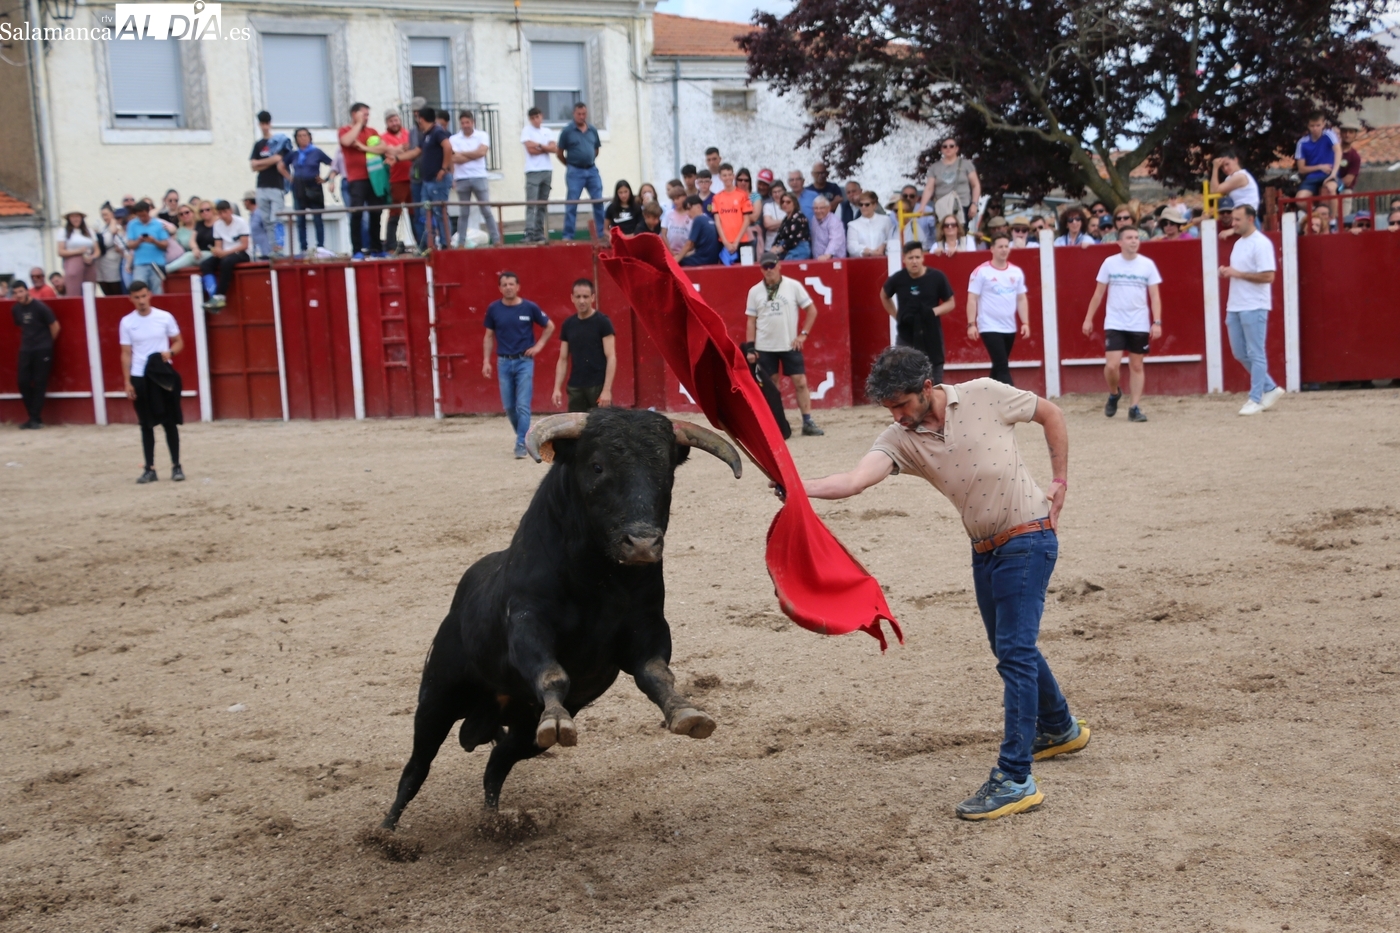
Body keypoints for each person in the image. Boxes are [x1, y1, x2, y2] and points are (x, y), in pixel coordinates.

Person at [797, 345, 1084, 821]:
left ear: (927, 388)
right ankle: (1058, 728)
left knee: (1014, 653)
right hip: (985, 550)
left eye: (902, 405)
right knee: (1011, 647)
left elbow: (1050, 413)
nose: (897, 417)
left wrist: (1060, 480)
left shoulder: (985, 394)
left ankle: (1015, 778)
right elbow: (853, 481)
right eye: (889, 409)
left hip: (1030, 537)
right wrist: (795, 483)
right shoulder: (900, 437)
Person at [1081, 226, 1162, 422]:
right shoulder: (1110, 263)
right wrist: (1088, 318)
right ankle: (1114, 392)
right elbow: (1098, 294)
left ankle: (1134, 407)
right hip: (1115, 320)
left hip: (1139, 322)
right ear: (1120, 242)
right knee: (1112, 366)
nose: (1134, 241)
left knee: (1136, 365)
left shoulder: (1147, 264)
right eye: (1129, 238)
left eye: (1136, 237)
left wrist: (1157, 322)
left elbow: (1155, 296)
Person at [745, 252, 823, 436]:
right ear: (761, 269)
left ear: (779, 265)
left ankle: (807, 420)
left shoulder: (793, 286)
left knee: (800, 381)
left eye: (772, 265)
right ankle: (776, 422)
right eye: (766, 267)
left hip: (789, 344)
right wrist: (750, 347)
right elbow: (750, 321)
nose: (769, 270)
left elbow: (811, 310)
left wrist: (803, 334)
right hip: (765, 346)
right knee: (772, 386)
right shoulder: (755, 291)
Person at [1219, 204, 1284, 415]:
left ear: (1250, 219)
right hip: (1236, 304)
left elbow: (1269, 276)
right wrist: (1228, 273)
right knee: (1240, 352)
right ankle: (1270, 388)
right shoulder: (1239, 243)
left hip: (1255, 305)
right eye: (1233, 219)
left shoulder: (1261, 244)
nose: (1233, 223)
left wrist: (1237, 274)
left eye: (1237, 219)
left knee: (1255, 353)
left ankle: (1255, 398)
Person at [482, 271, 555, 458]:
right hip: (503, 362)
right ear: (499, 288)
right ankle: (525, 436)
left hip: (524, 362)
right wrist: (486, 361)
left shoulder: (529, 308)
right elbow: (489, 336)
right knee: (509, 407)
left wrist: (538, 346)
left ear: (518, 286)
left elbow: (550, 326)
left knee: (522, 405)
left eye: (511, 284)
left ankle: (521, 444)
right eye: (504, 284)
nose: (508, 287)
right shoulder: (494, 309)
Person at [119, 280, 185, 484]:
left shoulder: (164, 317)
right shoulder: (127, 322)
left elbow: (179, 341)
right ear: (131, 299)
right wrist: (128, 382)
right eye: (136, 297)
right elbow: (126, 353)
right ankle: (150, 468)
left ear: (150, 295)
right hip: (140, 376)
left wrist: (170, 352)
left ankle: (176, 466)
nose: (141, 301)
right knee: (146, 424)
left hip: (162, 376)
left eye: (143, 296)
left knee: (169, 422)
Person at [881, 241, 955, 384]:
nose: (914, 261)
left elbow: (951, 302)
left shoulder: (937, 277)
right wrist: (897, 316)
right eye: (910, 258)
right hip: (906, 333)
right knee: (903, 374)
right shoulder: (898, 278)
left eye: (917, 257)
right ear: (904, 260)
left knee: (934, 377)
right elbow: (884, 295)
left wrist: (933, 311)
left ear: (923, 258)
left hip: (930, 332)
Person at [966, 232, 1029, 386]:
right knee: (1002, 366)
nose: (1004, 249)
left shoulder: (1016, 272)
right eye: (1000, 246)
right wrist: (971, 324)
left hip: (1009, 326)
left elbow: (1021, 298)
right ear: (992, 249)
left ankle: (987, 397)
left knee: (998, 365)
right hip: (989, 325)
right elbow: (972, 299)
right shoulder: (981, 271)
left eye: (1006, 246)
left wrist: (1025, 323)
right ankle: (1014, 400)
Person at [551, 278, 616, 412]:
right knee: (576, 430)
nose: (582, 301)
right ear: (572, 298)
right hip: (575, 387)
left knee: (602, 429)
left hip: (597, 386)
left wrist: (606, 390)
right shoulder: (568, 324)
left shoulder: (603, 322)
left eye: (585, 297)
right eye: (578, 297)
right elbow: (563, 359)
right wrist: (557, 388)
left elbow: (611, 357)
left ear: (592, 297)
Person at [400, 107, 452, 251]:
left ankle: (446, 243)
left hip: (438, 180)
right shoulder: (427, 134)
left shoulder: (437, 132)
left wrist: (444, 168)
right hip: (427, 181)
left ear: (421, 118)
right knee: (425, 212)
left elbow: (447, 147)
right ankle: (430, 244)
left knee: (439, 212)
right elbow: (416, 151)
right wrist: (397, 158)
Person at [339, 102, 387, 258]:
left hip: (374, 177)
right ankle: (357, 249)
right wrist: (358, 124)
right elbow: (346, 141)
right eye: (364, 114)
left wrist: (364, 147)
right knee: (357, 213)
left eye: (367, 115)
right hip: (356, 179)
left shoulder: (372, 131)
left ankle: (376, 248)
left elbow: (382, 148)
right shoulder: (345, 130)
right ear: (354, 114)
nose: (367, 118)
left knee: (376, 213)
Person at [10, 280, 59, 429]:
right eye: (15, 292)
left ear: (27, 291)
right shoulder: (15, 309)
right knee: (22, 382)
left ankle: (34, 418)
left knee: (39, 382)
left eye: (20, 291)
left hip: (42, 349)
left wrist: (47, 344)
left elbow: (55, 326)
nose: (18, 295)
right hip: (26, 349)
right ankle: (34, 417)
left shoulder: (40, 307)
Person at [449, 110, 499, 247]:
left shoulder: (482, 135)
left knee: (486, 210)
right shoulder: (454, 139)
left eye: (467, 122)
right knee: (463, 212)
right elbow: (453, 158)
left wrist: (462, 154)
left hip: (479, 176)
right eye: (463, 123)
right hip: (461, 178)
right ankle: (461, 242)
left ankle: (496, 240)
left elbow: (482, 153)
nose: (465, 125)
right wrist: (473, 154)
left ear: (473, 122)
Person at [558, 102, 605, 240]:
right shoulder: (567, 131)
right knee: (572, 204)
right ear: (574, 114)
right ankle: (568, 235)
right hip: (575, 172)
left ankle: (601, 234)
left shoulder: (593, 130)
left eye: (584, 114)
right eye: (579, 114)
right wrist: (570, 165)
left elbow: (596, 150)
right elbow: (559, 153)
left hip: (591, 170)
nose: (581, 116)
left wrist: (588, 159)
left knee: (598, 201)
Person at [284, 127, 333, 255]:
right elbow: (281, 165)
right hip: (299, 187)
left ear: (310, 137)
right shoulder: (294, 154)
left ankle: (320, 246)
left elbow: (333, 164)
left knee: (317, 218)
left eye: (305, 135)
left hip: (314, 187)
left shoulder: (316, 152)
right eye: (299, 136)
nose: (302, 138)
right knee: (300, 219)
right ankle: (303, 247)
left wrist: (326, 179)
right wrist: (290, 178)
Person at [249, 111, 291, 256]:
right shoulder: (258, 145)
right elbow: (253, 166)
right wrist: (270, 161)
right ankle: (273, 248)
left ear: (270, 123)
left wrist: (262, 163)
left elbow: (278, 159)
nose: (265, 126)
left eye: (267, 123)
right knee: (266, 220)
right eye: (262, 124)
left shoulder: (279, 142)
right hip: (262, 186)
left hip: (276, 185)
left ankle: (280, 247)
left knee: (276, 218)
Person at [918, 137, 981, 226]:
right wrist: (922, 206)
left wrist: (974, 204)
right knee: (943, 233)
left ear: (956, 149)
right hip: (942, 206)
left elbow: (975, 185)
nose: (948, 148)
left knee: (960, 233)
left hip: (962, 204)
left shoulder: (966, 164)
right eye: (945, 146)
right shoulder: (935, 167)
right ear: (941, 149)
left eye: (951, 146)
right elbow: (929, 188)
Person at [201, 200, 250, 310]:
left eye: (225, 212)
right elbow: (218, 244)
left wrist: (224, 252)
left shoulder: (241, 222)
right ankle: (213, 294)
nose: (223, 215)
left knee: (226, 261)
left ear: (230, 211)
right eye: (220, 213)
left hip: (242, 253)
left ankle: (221, 296)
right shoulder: (217, 225)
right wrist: (217, 250)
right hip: (226, 253)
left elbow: (244, 245)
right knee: (205, 264)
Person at [521, 106, 557, 243]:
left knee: (542, 204)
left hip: (547, 170)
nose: (536, 120)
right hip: (532, 171)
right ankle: (529, 232)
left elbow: (554, 148)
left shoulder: (547, 131)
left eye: (537, 117)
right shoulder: (526, 131)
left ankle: (538, 232)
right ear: (530, 119)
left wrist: (540, 146)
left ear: (541, 116)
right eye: (533, 118)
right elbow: (530, 150)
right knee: (532, 203)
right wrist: (545, 148)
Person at [381, 110, 414, 253]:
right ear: (387, 123)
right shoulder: (384, 138)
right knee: (395, 213)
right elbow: (387, 152)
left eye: (396, 120)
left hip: (413, 178)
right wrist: (398, 149)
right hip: (396, 179)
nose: (394, 123)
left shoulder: (409, 134)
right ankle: (391, 245)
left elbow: (416, 149)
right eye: (391, 121)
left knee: (415, 213)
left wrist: (401, 151)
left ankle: (421, 242)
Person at [710, 164, 754, 263]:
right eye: (724, 175)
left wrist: (736, 242)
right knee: (725, 274)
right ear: (720, 177)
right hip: (724, 243)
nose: (727, 178)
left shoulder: (742, 195)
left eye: (730, 175)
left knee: (745, 272)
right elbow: (718, 222)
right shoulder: (716, 198)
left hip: (742, 241)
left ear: (733, 176)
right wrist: (726, 242)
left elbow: (746, 220)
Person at [124, 201, 169, 294]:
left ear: (148, 212)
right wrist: (139, 241)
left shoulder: (158, 224)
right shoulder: (132, 224)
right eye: (139, 216)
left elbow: (165, 244)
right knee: (139, 290)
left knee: (157, 291)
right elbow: (129, 245)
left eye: (144, 215)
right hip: (140, 263)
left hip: (156, 264)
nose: (142, 218)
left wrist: (154, 241)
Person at [1294, 112, 1341, 197]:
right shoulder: (1302, 142)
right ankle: (1314, 210)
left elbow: (1338, 151)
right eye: (1312, 126)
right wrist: (1320, 167)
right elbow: (1301, 169)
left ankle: (1335, 211)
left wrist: (1334, 173)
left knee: (1330, 189)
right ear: (1308, 126)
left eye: (1318, 125)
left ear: (1323, 124)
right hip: (1312, 178)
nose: (1315, 128)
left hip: (1329, 175)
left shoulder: (1329, 135)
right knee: (1300, 199)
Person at [56, 210, 98, 294]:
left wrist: (92, 257)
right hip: (73, 262)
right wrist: (78, 251)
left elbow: (97, 250)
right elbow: (60, 251)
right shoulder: (63, 232)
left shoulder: (89, 231)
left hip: (88, 262)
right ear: (69, 219)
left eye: (77, 216)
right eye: (72, 217)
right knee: (74, 291)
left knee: (89, 291)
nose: (75, 219)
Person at [677, 194, 720, 266]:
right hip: (713, 259)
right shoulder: (709, 220)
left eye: (689, 208)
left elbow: (689, 244)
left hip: (703, 259)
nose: (687, 212)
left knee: (679, 262)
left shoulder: (698, 219)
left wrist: (677, 258)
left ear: (698, 207)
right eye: (686, 210)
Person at [1211, 149, 1259, 213]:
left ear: (1235, 160)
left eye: (1227, 164)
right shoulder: (1230, 178)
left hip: (1247, 216)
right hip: (1239, 215)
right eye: (1222, 167)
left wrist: (1215, 168)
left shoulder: (1240, 176)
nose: (1225, 169)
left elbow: (1214, 190)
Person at [846, 190, 890, 257]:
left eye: (867, 204)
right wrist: (869, 252)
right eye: (861, 204)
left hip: (882, 260)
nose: (863, 207)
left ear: (874, 205)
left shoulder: (885, 220)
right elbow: (851, 246)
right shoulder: (853, 225)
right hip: (861, 262)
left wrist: (884, 245)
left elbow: (891, 239)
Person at [95, 204, 127, 295]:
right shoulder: (102, 228)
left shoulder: (117, 226)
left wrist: (113, 220)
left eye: (106, 214)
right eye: (102, 215)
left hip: (112, 264)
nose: (104, 217)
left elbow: (111, 236)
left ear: (112, 214)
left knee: (115, 291)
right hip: (101, 264)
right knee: (106, 291)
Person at [164, 202, 204, 273]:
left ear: (193, 212)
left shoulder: (202, 225)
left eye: (187, 212)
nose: (184, 215)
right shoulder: (179, 232)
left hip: (202, 255)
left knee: (189, 255)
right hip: (186, 263)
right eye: (181, 214)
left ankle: (164, 270)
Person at [771, 192, 811, 260]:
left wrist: (779, 249)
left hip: (799, 249)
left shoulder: (800, 217)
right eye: (783, 202)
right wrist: (774, 246)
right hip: (787, 249)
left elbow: (794, 238)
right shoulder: (786, 219)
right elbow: (780, 235)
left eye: (788, 202)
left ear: (794, 203)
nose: (784, 204)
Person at [809, 196, 847, 261]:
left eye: (821, 208)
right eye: (816, 208)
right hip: (818, 260)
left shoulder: (834, 221)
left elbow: (835, 240)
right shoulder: (814, 219)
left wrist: (827, 255)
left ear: (829, 208)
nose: (818, 211)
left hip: (833, 260)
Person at [661, 181, 691, 255]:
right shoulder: (668, 214)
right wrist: (670, 251)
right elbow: (663, 234)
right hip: (670, 252)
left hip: (686, 254)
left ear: (685, 197)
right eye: (673, 199)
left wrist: (683, 253)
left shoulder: (691, 215)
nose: (675, 201)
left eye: (678, 198)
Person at [243, 191, 272, 259]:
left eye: (244, 201)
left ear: (248, 201)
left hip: (266, 251)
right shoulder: (253, 215)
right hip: (258, 252)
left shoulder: (260, 214)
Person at [760, 178, 786, 251]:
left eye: (779, 191)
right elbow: (768, 224)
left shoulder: (790, 204)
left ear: (784, 191)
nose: (777, 194)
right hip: (770, 247)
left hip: (786, 247)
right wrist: (786, 221)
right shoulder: (768, 206)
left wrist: (775, 223)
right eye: (774, 192)